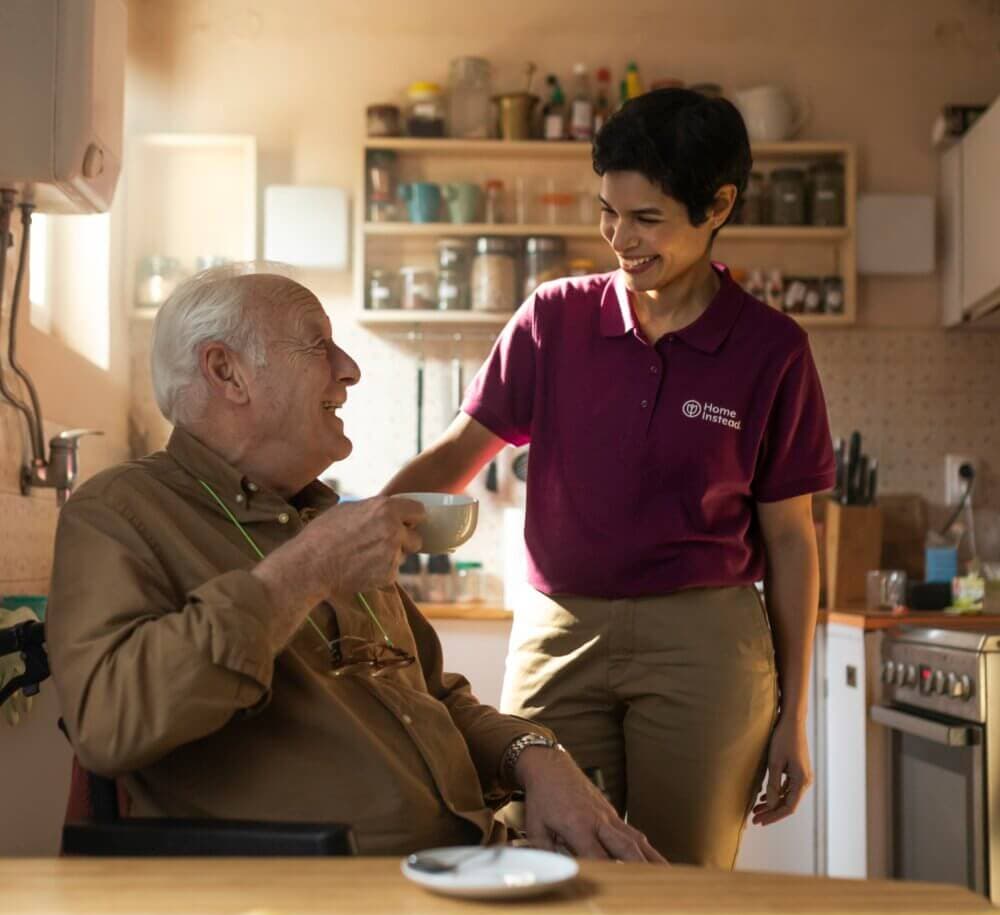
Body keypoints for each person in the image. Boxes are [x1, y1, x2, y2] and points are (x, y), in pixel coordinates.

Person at [46, 266, 663, 862]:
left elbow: (434, 697)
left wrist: (537, 757)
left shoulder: (322, 518)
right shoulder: (121, 511)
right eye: (319, 345)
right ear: (225, 371)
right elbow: (108, 722)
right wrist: (307, 569)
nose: (351, 369)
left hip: (469, 865)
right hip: (326, 900)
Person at [383, 89, 835, 867]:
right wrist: (345, 529)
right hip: (560, 633)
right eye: (607, 212)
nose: (619, 238)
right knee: (539, 861)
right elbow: (458, 456)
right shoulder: (552, 320)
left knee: (681, 878)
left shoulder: (773, 350)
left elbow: (791, 542)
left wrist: (794, 718)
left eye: (648, 219)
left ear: (718, 204)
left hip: (704, 642)